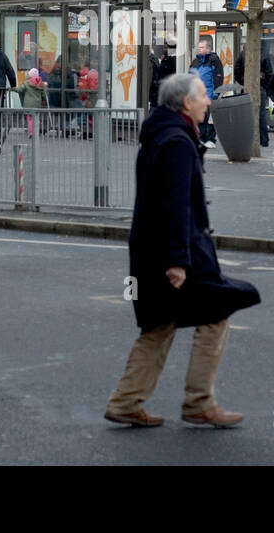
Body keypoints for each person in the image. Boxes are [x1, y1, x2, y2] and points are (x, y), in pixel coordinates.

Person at [105, 73, 259, 429]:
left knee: (160, 324)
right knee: (215, 314)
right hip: (176, 250)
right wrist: (178, 261)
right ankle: (198, 402)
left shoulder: (162, 135)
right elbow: (175, 204)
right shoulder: (177, 142)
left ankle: (126, 402)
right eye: (203, 95)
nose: (208, 102)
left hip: (154, 248)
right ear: (186, 103)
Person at [234, 46, 273, 147]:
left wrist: (243, 81)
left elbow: (237, 71)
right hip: (260, 86)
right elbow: (269, 73)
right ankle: (264, 140)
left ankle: (247, 138)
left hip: (246, 86)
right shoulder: (264, 54)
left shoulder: (243, 54)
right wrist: (264, 85)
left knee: (246, 113)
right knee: (261, 115)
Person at [190, 39, 224, 148]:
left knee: (210, 118)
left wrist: (216, 93)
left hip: (209, 93)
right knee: (200, 117)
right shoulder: (196, 61)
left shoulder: (214, 60)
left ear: (208, 49)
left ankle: (211, 139)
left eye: (201, 47)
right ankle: (201, 138)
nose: (199, 49)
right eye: (198, 47)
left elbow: (218, 77)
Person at [148, 36, 177, 108]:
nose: (164, 49)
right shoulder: (165, 59)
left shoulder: (173, 60)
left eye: (166, 47)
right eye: (164, 47)